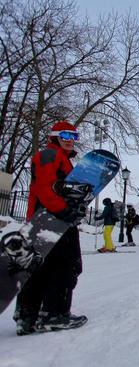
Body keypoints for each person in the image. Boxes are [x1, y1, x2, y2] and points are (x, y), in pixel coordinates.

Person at [14, 121, 89, 335]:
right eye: (65, 134)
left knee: (40, 268)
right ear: (54, 136)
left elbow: (59, 190)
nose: (70, 139)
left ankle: (28, 315)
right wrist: (64, 210)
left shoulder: (61, 159)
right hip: (54, 220)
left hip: (45, 220)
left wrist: (74, 207)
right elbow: (45, 188)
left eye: (74, 136)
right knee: (67, 266)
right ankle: (54, 314)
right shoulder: (51, 156)